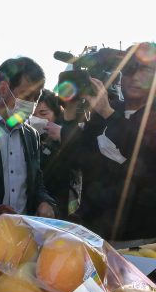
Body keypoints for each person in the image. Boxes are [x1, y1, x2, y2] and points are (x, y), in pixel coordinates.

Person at [60, 43, 156, 241]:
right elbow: (75, 159)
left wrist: (108, 113)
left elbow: (144, 155)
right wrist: (69, 112)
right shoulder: (107, 110)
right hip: (96, 235)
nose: (135, 76)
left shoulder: (110, 112)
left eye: (145, 70)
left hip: (142, 239)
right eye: (129, 68)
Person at [0, 57, 56, 219]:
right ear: (3, 88)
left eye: (36, 98)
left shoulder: (31, 135)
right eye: (27, 96)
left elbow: (36, 182)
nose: (31, 104)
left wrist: (44, 201)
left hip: (22, 228)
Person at [31, 89, 75, 218]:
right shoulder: (27, 138)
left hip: (59, 210)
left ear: (56, 114)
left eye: (43, 113)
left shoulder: (67, 137)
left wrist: (63, 137)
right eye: (33, 114)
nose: (37, 119)